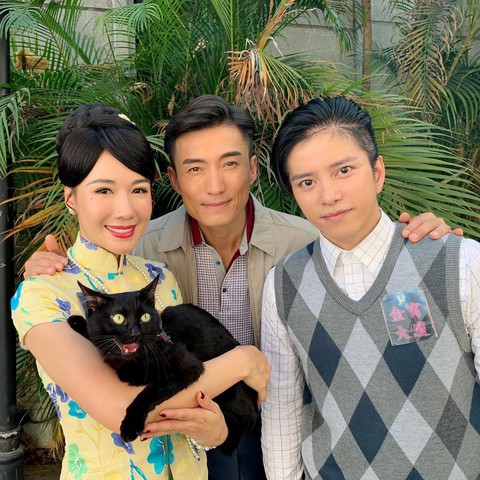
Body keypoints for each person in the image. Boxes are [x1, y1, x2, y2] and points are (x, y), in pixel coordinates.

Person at [23, 96, 458, 480]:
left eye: (230, 163)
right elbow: (84, 290)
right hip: (185, 433)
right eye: (195, 168)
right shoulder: (144, 247)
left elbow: (374, 257)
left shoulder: (308, 242)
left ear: (252, 168)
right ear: (174, 179)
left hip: (277, 426)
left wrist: (426, 243)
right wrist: (46, 272)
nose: (215, 185)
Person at [11, 104, 270, 480]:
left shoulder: (157, 277)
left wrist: (213, 432)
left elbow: (193, 408)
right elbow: (121, 411)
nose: (125, 209)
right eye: (103, 190)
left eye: (138, 189)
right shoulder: (44, 294)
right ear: (71, 198)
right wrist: (243, 362)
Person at [261, 96, 480, 480]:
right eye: (307, 182)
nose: (328, 195)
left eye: (343, 170)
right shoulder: (284, 283)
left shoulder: (460, 261)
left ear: (377, 172)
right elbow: (282, 407)